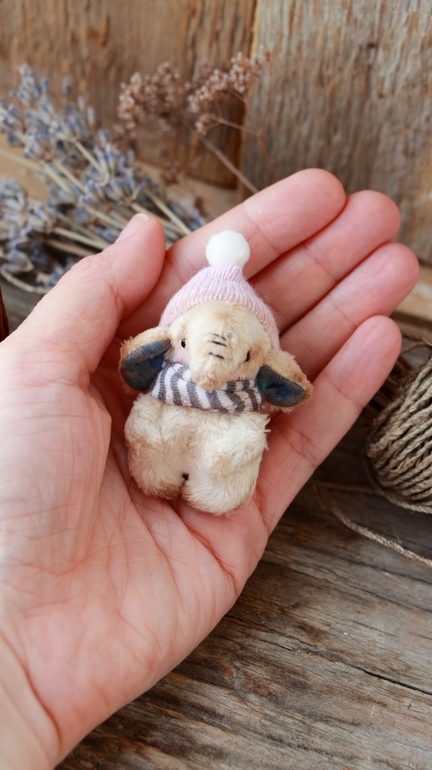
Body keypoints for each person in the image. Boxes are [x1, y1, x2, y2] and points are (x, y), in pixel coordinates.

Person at [0, 170, 419, 769]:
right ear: (174, 339)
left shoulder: (253, 387)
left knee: (241, 441)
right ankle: (159, 470)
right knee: (150, 428)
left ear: (260, 357)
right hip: (168, 413)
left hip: (229, 423)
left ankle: (217, 482)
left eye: (242, 352)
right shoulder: (163, 362)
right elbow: (140, 366)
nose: (217, 358)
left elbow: (286, 389)